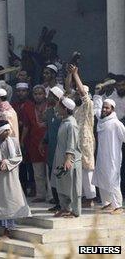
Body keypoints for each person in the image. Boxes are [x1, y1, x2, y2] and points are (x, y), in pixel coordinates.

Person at [0, 120, 31, 239]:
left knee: (9, 202)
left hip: (9, 177)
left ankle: (7, 230)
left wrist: (7, 162)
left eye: (9, 130)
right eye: (5, 130)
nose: (8, 132)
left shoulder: (14, 142)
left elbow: (19, 157)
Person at [65, 66, 96, 207]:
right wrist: (69, 75)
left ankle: (90, 198)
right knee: (78, 169)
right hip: (76, 141)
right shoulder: (75, 107)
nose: (78, 95)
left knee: (87, 169)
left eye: (80, 94)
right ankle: (83, 196)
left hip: (86, 141)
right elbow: (67, 90)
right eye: (77, 94)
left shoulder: (88, 104)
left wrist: (76, 74)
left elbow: (82, 92)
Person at [92, 97, 125, 215]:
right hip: (101, 156)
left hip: (113, 157)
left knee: (113, 180)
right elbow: (96, 109)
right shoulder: (101, 122)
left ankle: (118, 206)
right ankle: (108, 203)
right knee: (102, 179)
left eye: (107, 107)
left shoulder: (117, 123)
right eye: (103, 107)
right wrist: (96, 96)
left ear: (112, 109)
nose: (104, 109)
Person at [52, 97, 82, 218]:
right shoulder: (64, 121)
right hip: (60, 159)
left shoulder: (71, 124)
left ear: (65, 108)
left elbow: (72, 143)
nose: (57, 108)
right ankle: (65, 208)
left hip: (70, 160)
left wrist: (68, 159)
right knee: (62, 185)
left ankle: (75, 211)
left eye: (59, 106)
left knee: (73, 187)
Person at [19, 84, 48, 202]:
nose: (38, 96)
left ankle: (52, 196)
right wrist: (21, 141)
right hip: (34, 142)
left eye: (40, 93)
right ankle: (41, 195)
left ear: (45, 95)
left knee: (48, 171)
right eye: (35, 94)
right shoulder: (28, 108)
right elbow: (26, 126)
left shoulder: (50, 106)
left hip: (47, 142)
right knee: (37, 172)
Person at [42, 86, 64, 212]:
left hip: (60, 149)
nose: (47, 97)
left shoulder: (63, 112)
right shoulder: (49, 111)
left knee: (60, 177)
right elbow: (48, 129)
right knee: (52, 177)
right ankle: (56, 203)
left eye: (50, 95)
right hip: (51, 149)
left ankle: (63, 204)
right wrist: (43, 141)